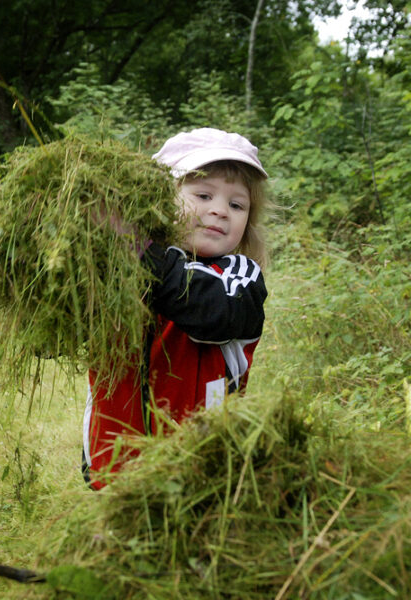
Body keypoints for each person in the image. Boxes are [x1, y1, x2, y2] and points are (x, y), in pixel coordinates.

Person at [82, 128, 270, 490]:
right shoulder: (121, 271)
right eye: (203, 194)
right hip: (116, 468)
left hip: (200, 470)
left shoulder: (240, 279)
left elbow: (214, 314)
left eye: (237, 204)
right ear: (159, 199)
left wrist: (140, 250)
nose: (219, 210)